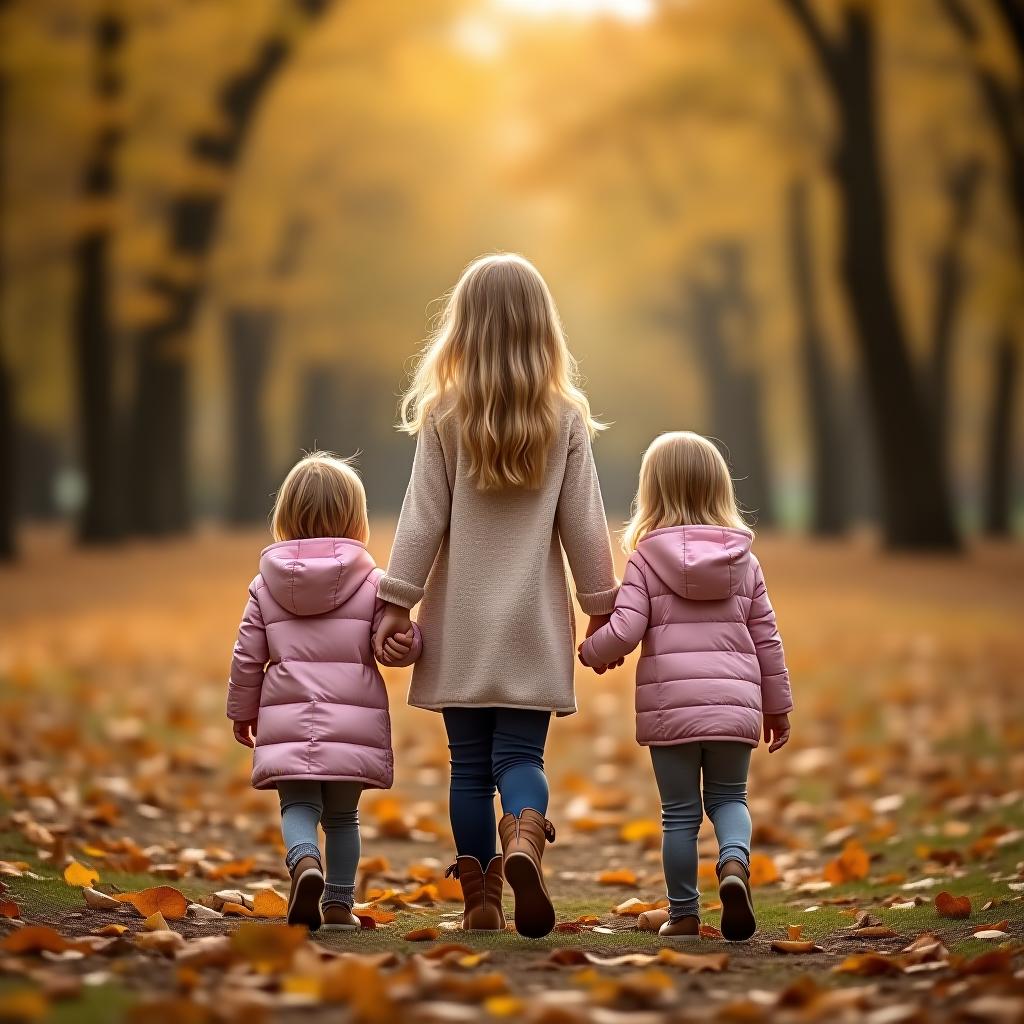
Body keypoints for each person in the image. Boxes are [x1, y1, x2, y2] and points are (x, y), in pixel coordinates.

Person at [374, 253, 619, 938]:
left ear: (464, 329)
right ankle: (526, 842)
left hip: (460, 623)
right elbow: (585, 524)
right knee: (521, 759)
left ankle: (480, 897)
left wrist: (396, 601)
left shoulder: (444, 414)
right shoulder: (565, 417)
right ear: (543, 330)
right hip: (532, 625)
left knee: (468, 768)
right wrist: (603, 607)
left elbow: (422, 518)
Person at [578, 431, 793, 942]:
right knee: (730, 797)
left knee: (679, 813)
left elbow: (626, 630)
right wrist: (777, 706)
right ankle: (735, 863)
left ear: (650, 492)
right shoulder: (745, 561)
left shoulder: (647, 559)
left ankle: (685, 914)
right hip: (736, 706)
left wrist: (591, 652)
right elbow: (767, 636)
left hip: (671, 708)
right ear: (721, 490)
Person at [227, 452, 421, 931]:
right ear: (357, 520)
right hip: (351, 721)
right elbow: (396, 641)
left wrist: (241, 710)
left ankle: (304, 862)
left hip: (286, 717)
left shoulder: (264, 585)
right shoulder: (374, 583)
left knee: (297, 805)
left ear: (285, 517)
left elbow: (248, 655)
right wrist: (409, 643)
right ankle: (337, 903)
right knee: (343, 817)